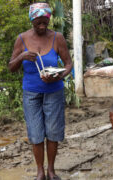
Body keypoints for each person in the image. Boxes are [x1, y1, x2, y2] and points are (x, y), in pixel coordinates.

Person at [8, 2, 73, 180]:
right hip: (31, 93)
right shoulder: (22, 39)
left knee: (52, 132)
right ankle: (40, 172)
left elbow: (68, 64)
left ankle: (51, 171)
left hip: (54, 91)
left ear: (49, 19)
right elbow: (11, 67)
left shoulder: (57, 38)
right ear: (32, 20)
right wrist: (22, 56)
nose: (42, 25)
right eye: (38, 22)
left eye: (45, 21)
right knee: (36, 134)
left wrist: (59, 76)